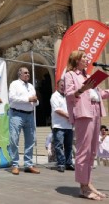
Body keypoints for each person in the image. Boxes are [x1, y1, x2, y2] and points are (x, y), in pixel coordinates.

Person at [64, 50, 109, 200]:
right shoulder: (70, 75)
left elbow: (99, 94)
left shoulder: (89, 76)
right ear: (76, 60)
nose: (87, 59)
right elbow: (69, 94)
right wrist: (82, 89)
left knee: (93, 151)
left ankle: (88, 183)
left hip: (95, 112)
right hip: (83, 113)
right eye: (84, 57)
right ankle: (83, 187)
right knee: (83, 150)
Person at [8, 67, 40, 175]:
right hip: (16, 114)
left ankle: (28, 164)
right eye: (25, 73)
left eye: (29, 73)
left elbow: (35, 102)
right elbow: (12, 98)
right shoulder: (14, 84)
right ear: (20, 74)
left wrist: (35, 101)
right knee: (14, 139)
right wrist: (28, 99)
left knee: (30, 140)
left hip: (29, 115)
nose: (28, 74)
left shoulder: (31, 86)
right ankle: (15, 164)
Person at [51, 79, 74, 172]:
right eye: (61, 85)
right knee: (59, 146)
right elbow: (57, 109)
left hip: (68, 126)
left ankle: (68, 163)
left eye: (64, 85)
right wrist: (69, 116)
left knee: (68, 146)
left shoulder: (67, 96)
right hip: (58, 126)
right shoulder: (54, 96)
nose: (63, 87)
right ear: (57, 86)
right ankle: (61, 164)